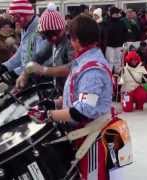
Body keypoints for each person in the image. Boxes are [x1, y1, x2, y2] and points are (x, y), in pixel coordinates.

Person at [27, 15, 114, 180]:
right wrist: (55, 103)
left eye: (71, 38)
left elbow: (84, 110)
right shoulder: (82, 61)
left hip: (93, 136)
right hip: (83, 134)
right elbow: (77, 96)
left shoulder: (92, 70)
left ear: (76, 40)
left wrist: (48, 115)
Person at [15, 3, 73, 91]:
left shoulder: (71, 42)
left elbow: (72, 68)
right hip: (59, 90)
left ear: (61, 30)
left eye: (49, 35)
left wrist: (43, 70)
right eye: (46, 36)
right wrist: (25, 73)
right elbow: (37, 57)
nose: (49, 39)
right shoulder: (52, 41)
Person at [0, 0, 50, 81]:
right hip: (26, 75)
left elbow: (40, 60)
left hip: (39, 79)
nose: (14, 21)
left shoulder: (41, 29)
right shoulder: (25, 27)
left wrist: (16, 73)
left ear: (25, 15)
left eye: (16, 17)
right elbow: (21, 53)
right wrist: (5, 67)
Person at [104, 6, 128, 74]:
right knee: (110, 61)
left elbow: (125, 32)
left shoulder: (121, 22)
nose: (117, 14)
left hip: (119, 45)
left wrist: (124, 42)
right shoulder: (107, 22)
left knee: (118, 61)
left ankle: (119, 75)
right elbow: (104, 33)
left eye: (117, 13)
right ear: (112, 14)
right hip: (109, 45)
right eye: (115, 13)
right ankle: (110, 74)